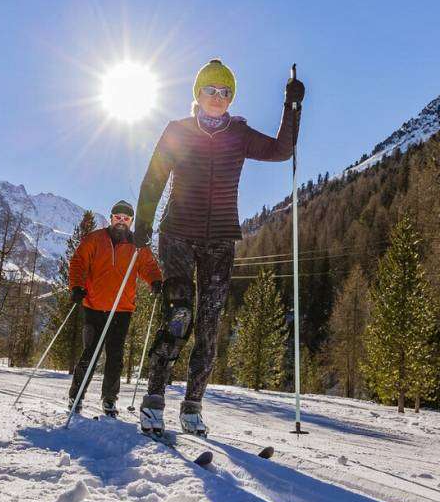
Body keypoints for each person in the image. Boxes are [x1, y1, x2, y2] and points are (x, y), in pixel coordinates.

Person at [134, 59, 305, 435]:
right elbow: (154, 178)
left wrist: (292, 108)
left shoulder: (239, 133)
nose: (218, 97)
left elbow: (281, 150)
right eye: (211, 90)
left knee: (210, 326)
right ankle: (153, 401)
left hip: (221, 240)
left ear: (231, 98)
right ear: (197, 94)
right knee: (179, 318)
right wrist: (142, 223)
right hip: (178, 233)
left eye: (225, 92)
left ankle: (192, 406)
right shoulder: (178, 130)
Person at [67, 200, 162, 416]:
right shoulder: (95, 239)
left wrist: (155, 280)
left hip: (122, 309)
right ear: (111, 218)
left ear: (131, 221)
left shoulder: (138, 245)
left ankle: (109, 399)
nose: (121, 221)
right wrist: (77, 286)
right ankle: (76, 395)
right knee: (90, 353)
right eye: (117, 217)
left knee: (115, 357)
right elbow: (79, 262)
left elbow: (148, 266)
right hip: (94, 306)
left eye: (125, 218)